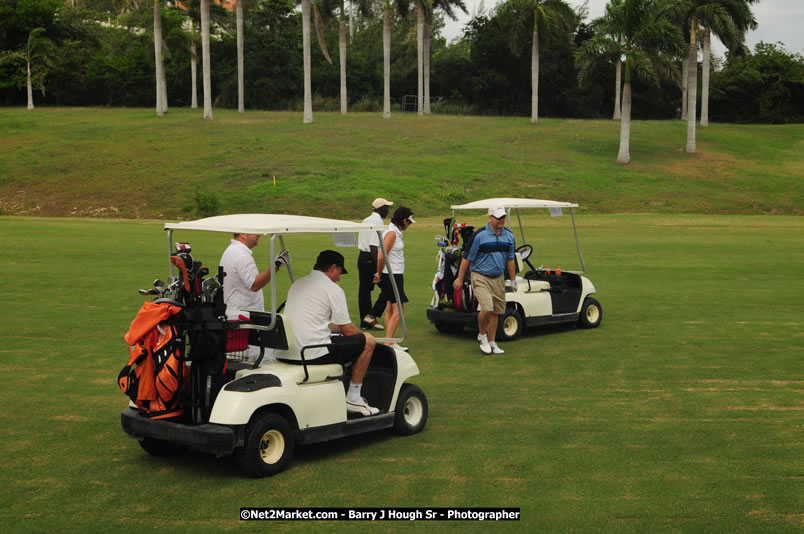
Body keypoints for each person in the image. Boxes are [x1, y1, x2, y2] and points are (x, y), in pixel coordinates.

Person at [283, 250, 379, 416]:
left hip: (286, 350)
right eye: (340, 272)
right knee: (369, 341)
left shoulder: (298, 283)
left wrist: (338, 328)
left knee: (345, 338)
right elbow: (349, 331)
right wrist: (362, 334)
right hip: (312, 354)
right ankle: (353, 398)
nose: (339, 278)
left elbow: (316, 322)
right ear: (333, 268)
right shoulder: (333, 289)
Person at [453, 204, 516, 355]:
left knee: (496, 311)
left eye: (503, 217)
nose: (501, 220)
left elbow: (510, 259)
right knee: (487, 307)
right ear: (490, 218)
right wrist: (460, 279)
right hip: (480, 276)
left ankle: (492, 341)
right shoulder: (479, 236)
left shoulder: (509, 236)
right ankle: (482, 335)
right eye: (498, 217)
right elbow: (467, 258)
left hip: (499, 277)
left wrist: (513, 279)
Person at [220, 233, 289, 361]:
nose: (259, 235)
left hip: (239, 317)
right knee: (267, 360)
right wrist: (276, 265)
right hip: (246, 322)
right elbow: (254, 284)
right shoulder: (241, 256)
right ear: (243, 234)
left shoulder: (232, 251)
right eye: (254, 232)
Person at [373, 206, 415, 352]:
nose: (409, 225)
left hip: (392, 274)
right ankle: (388, 345)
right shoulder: (392, 233)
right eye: (409, 222)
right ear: (404, 220)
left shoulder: (394, 231)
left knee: (390, 308)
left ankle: (389, 341)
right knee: (399, 310)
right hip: (392, 275)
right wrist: (378, 273)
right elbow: (381, 255)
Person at [357, 198, 393, 331]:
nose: (388, 211)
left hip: (362, 256)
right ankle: (371, 316)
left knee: (364, 291)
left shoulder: (366, 219)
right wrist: (379, 266)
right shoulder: (377, 221)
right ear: (380, 208)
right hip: (371, 258)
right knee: (388, 288)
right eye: (386, 208)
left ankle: (364, 321)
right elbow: (373, 245)